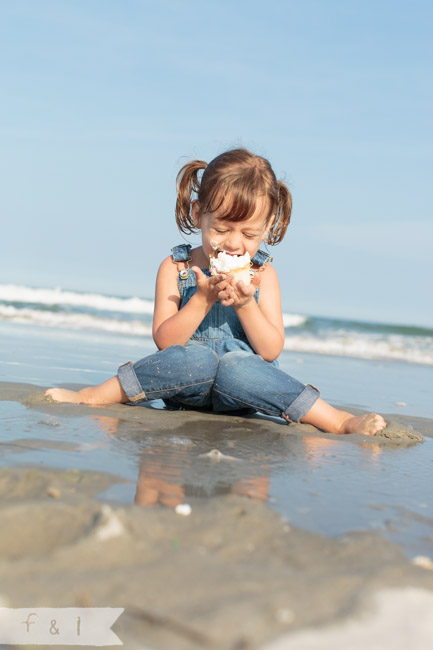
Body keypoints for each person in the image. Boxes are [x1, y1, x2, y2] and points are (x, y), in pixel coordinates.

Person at [45, 148, 386, 436]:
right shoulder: (176, 267)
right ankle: (94, 395)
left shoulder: (264, 275)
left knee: (238, 367)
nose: (235, 243)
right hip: (187, 384)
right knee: (197, 359)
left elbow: (270, 350)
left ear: (267, 228)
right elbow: (165, 342)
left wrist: (245, 305)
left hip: (242, 390)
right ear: (198, 214)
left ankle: (339, 421)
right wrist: (202, 299)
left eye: (249, 235)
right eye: (222, 229)